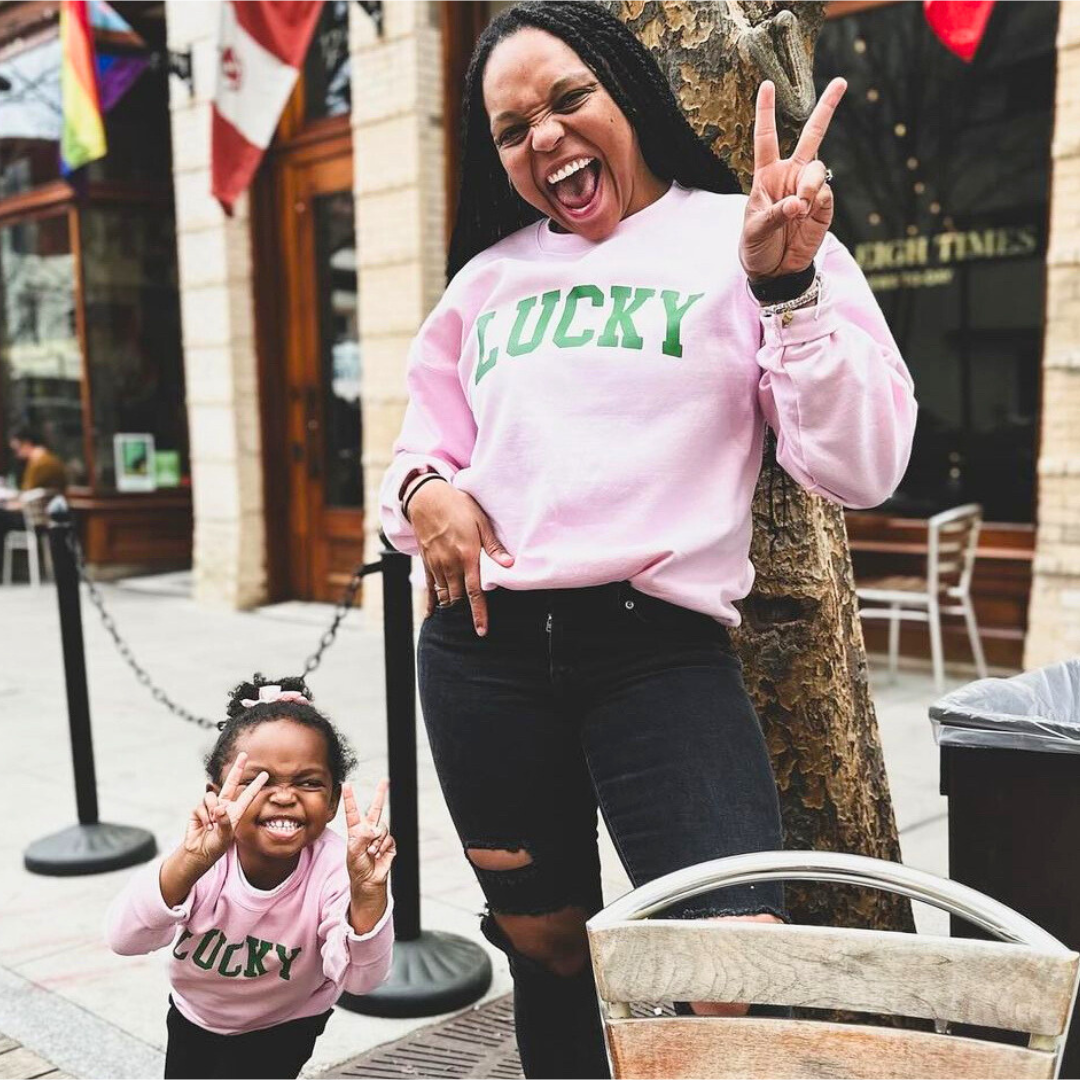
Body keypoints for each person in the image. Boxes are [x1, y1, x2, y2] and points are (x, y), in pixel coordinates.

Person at [379, 3, 916, 1077]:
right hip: (483, 652)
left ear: (626, 88)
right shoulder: (486, 280)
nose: (544, 137)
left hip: (658, 652)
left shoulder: (745, 237)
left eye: (568, 98)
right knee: (545, 948)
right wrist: (425, 491)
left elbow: (864, 468)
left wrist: (788, 289)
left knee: (728, 962)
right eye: (512, 128)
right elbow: (415, 462)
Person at [106, 675, 396, 1080]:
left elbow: (362, 980)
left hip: (288, 1021)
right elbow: (125, 939)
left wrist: (367, 894)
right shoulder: (200, 854)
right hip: (195, 1014)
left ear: (332, 802)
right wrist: (188, 864)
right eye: (257, 781)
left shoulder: (336, 868)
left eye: (309, 783)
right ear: (216, 794)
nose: (284, 796)